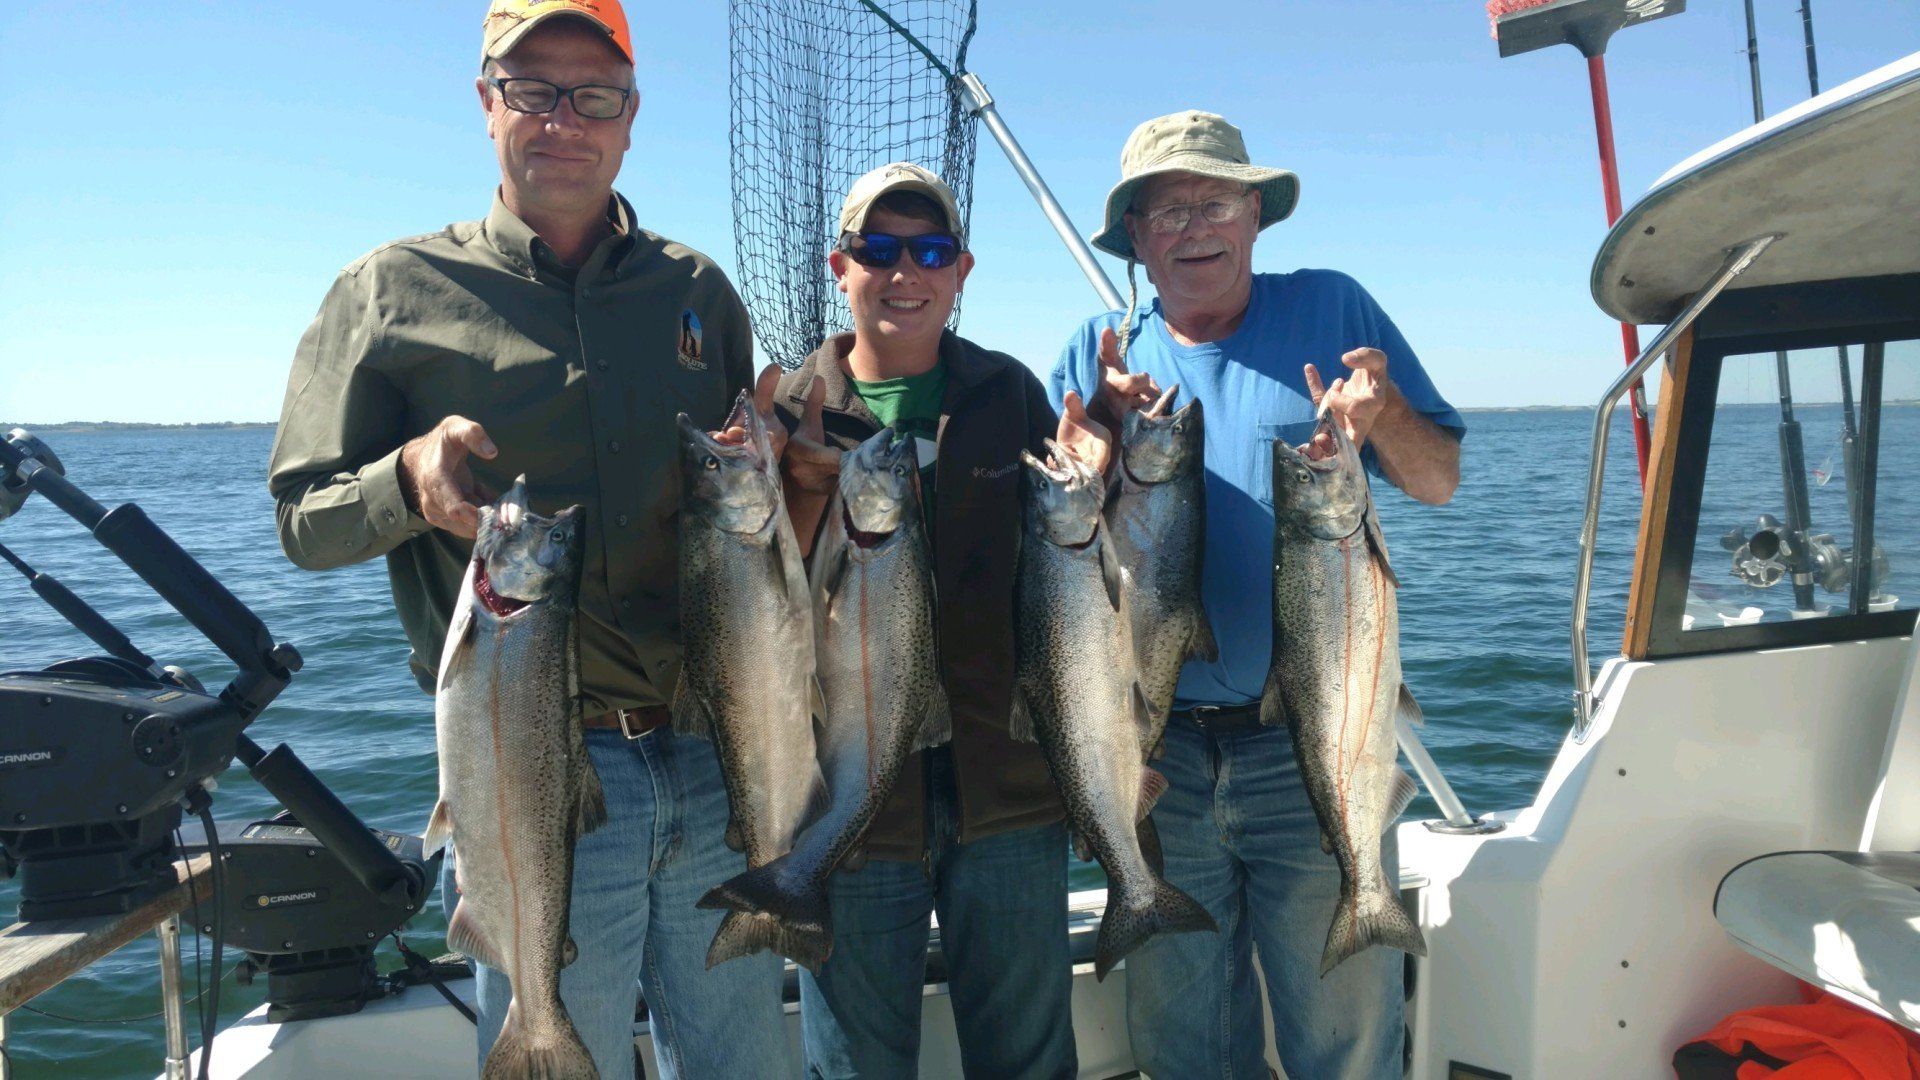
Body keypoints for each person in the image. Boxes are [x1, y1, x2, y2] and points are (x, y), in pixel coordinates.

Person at [266, 3, 791, 1076]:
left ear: (631, 118)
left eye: (594, 95)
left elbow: (748, 502)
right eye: (533, 90)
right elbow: (301, 526)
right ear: (484, 102)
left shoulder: (697, 291)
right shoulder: (388, 292)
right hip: (530, 765)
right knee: (551, 1039)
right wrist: (405, 482)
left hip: (714, 749)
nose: (564, 120)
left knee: (747, 1062)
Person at [1050, 110, 1465, 1079]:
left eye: (1215, 201)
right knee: (1185, 1043)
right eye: (1167, 211)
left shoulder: (1332, 307)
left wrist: (1385, 412)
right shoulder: (1098, 350)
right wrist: (1101, 442)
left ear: (1255, 215)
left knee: (1344, 1036)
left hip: (1313, 742)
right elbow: (1061, 543)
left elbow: (1439, 479)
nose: (1195, 227)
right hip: (1156, 752)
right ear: (1137, 240)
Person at [770, 162, 1109, 1080]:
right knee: (854, 1066)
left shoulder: (1010, 395)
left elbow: (1075, 566)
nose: (903, 271)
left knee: (1030, 1062)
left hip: (1009, 793)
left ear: (962, 271)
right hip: (851, 805)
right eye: (878, 250)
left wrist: (1106, 458)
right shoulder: (784, 408)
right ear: (839, 266)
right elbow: (748, 604)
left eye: (929, 250)